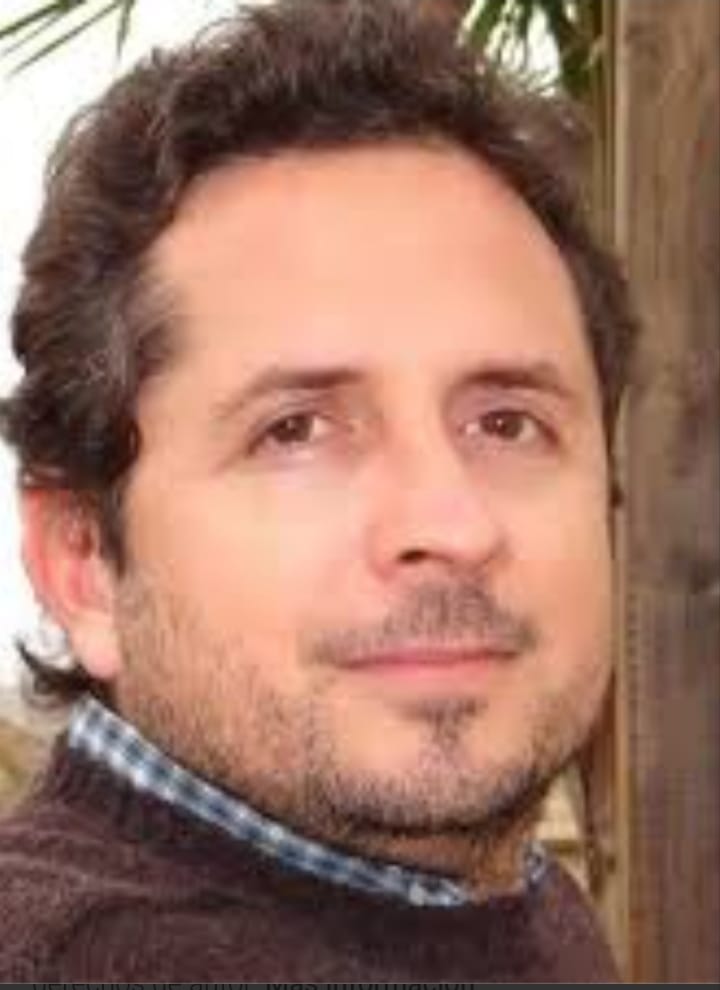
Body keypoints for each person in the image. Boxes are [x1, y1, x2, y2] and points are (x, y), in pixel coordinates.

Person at [0, 0, 637, 981]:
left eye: (507, 423)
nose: (451, 522)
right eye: (294, 431)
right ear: (82, 562)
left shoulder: (498, 898)